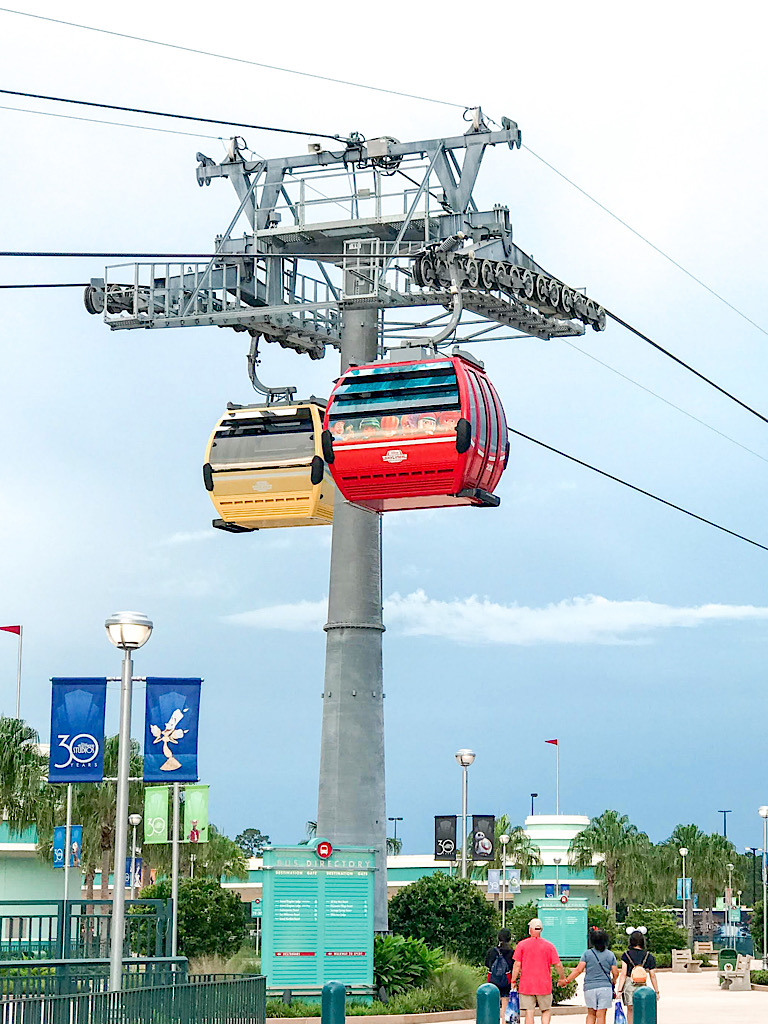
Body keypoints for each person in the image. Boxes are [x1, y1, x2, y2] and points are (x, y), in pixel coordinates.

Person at [511, 918, 566, 1024]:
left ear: (530, 929)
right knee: (545, 1010)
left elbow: (517, 964)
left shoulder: (522, 945)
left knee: (529, 1012)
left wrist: (513, 981)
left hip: (526, 985)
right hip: (544, 985)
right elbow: (558, 964)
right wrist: (562, 978)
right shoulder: (549, 946)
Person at [560, 929, 618, 1024]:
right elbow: (615, 972)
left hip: (589, 987)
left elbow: (579, 970)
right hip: (605, 987)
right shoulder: (610, 955)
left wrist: (567, 980)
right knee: (601, 1015)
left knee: (591, 1014)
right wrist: (613, 980)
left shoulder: (587, 954)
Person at [615, 930, 659, 1023]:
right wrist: (656, 991)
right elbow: (652, 975)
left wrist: (619, 990)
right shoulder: (648, 956)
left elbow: (623, 973)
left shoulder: (626, 955)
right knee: (642, 1008)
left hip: (629, 983)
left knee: (630, 1009)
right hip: (642, 985)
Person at [485, 928, 515, 1019]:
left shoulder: (492, 951)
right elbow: (513, 966)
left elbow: (487, 964)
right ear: (509, 938)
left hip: (493, 980)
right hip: (506, 980)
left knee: (494, 1003)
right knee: (505, 1002)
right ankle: (504, 1022)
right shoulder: (511, 952)